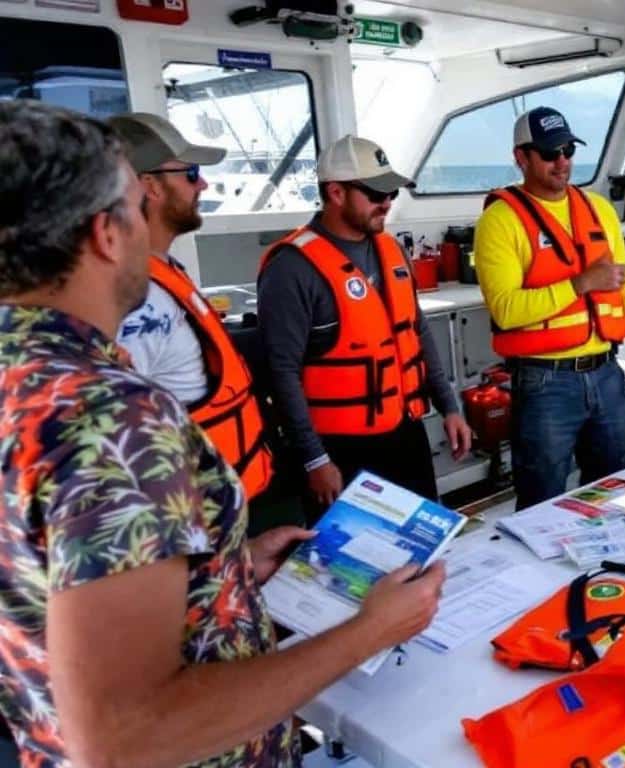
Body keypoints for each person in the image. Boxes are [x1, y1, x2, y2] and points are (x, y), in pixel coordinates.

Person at [0, 100, 445, 767]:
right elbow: (126, 736)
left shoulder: (22, 376)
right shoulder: (109, 417)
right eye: (135, 208)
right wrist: (370, 630)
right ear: (105, 234)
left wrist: (229, 569)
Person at [258, 135, 471, 519]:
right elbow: (281, 372)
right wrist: (314, 459)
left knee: (421, 543)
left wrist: (449, 408)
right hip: (340, 451)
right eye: (375, 193)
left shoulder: (392, 250)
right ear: (336, 192)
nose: (387, 203)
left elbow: (417, 330)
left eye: (391, 192)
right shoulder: (291, 268)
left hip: (406, 434)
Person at [474, 106, 625, 510]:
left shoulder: (599, 210)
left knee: (614, 488)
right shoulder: (500, 221)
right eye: (550, 153)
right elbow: (506, 309)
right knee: (542, 495)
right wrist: (580, 283)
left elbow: (623, 286)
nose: (562, 161)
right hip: (544, 383)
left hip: (606, 373)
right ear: (521, 157)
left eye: (568, 150)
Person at [109, 112, 275, 502]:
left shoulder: (163, 273)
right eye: (190, 173)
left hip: (227, 505)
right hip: (200, 520)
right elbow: (115, 452)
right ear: (149, 186)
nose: (203, 184)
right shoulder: (138, 302)